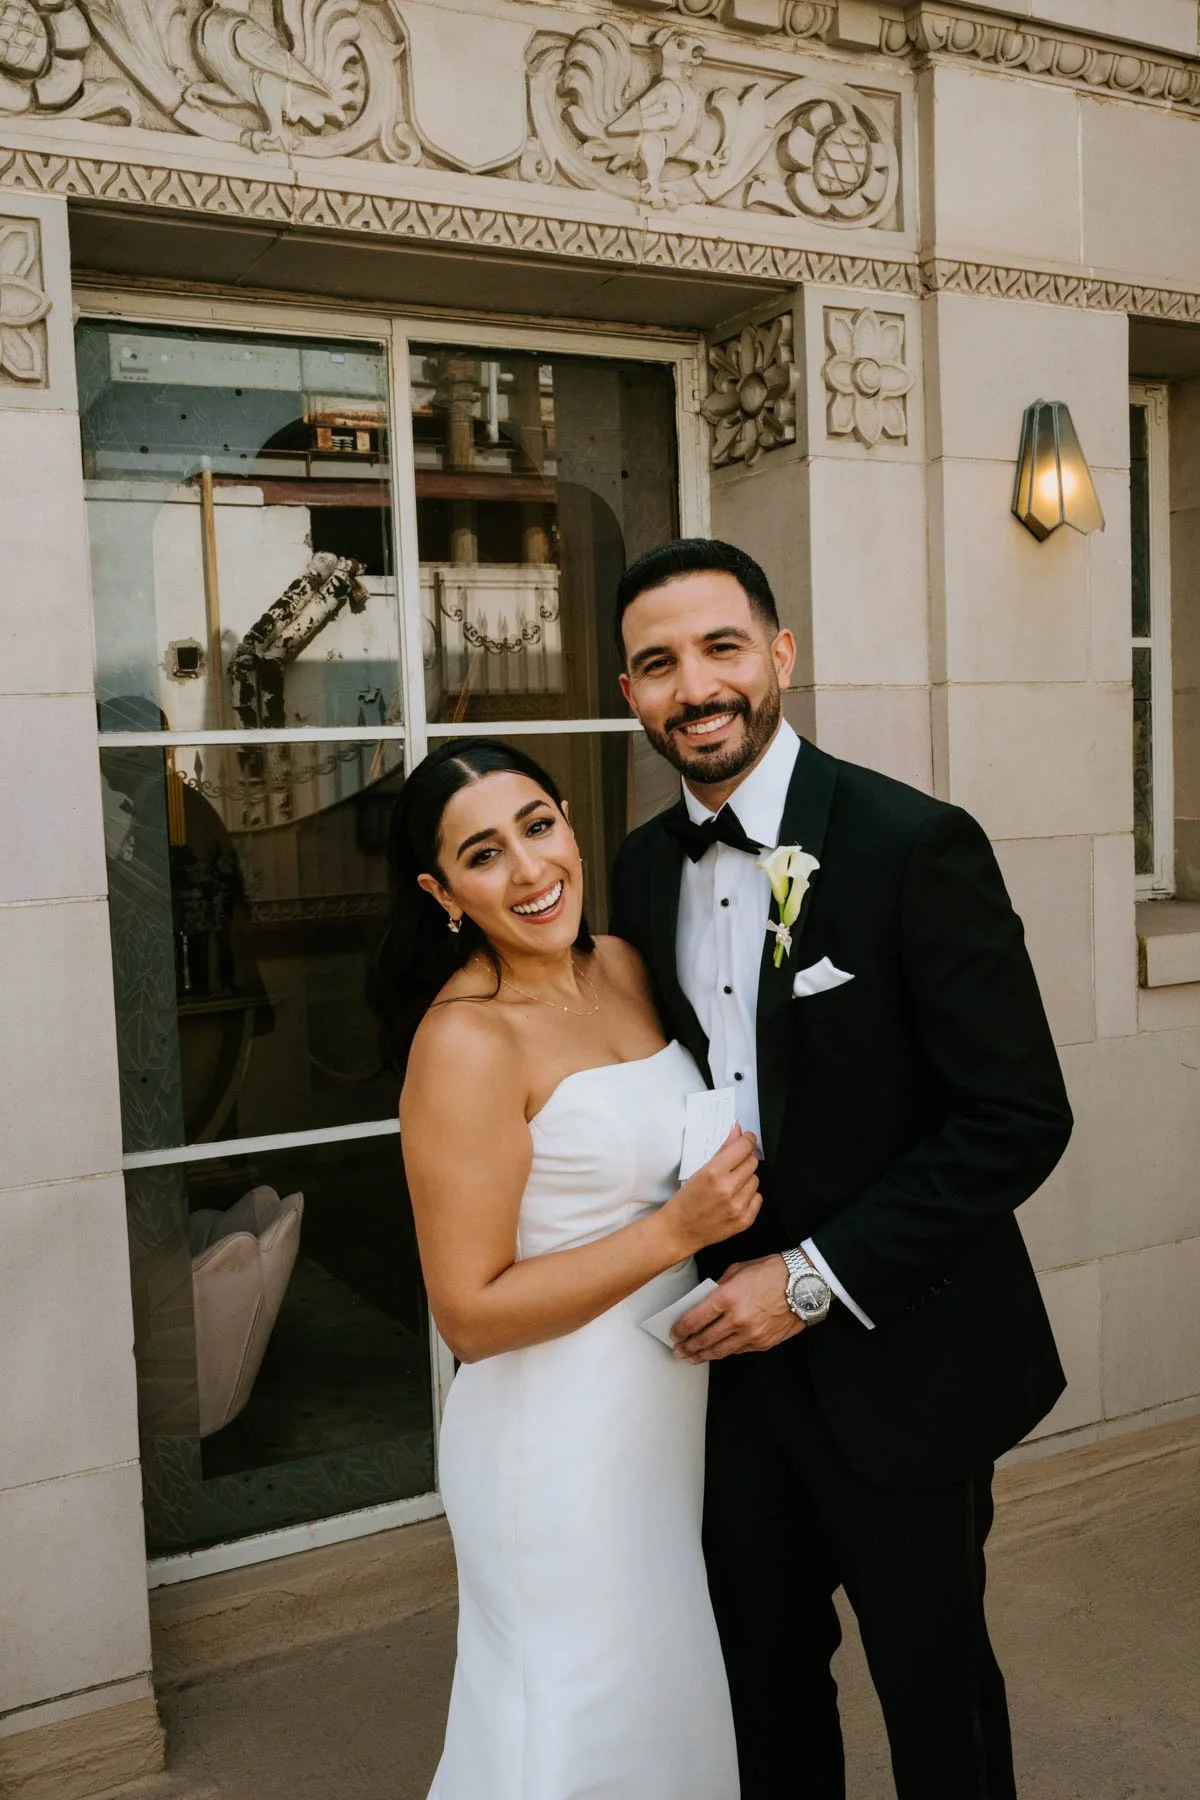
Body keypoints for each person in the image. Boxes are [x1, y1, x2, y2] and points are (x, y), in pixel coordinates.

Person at [609, 538, 1074, 1800]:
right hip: (726, 1380)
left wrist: (809, 1279)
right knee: (759, 1678)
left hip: (901, 1350)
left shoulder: (914, 843)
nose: (694, 687)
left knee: (934, 1691)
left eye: (720, 648)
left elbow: (1018, 1115)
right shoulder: (641, 868)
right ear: (631, 692)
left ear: (780, 656)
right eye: (657, 664)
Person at [369, 736, 757, 1800]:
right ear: (441, 892)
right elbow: (469, 1314)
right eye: (485, 855)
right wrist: (677, 1231)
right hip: (550, 1445)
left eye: (539, 826)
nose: (533, 871)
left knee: (658, 1703)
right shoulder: (464, 1044)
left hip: (660, 1417)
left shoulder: (624, 966)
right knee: (571, 1720)